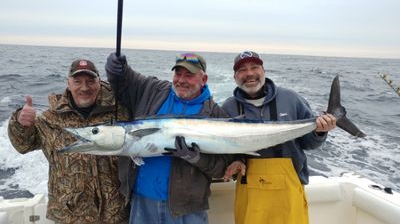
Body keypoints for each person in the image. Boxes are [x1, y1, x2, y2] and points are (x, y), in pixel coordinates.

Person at [105, 52, 231, 224]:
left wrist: (196, 158)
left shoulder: (216, 115)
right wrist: (116, 67)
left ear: (204, 79)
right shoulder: (153, 90)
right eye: (178, 74)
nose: (181, 80)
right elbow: (124, 80)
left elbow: (222, 168)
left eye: (189, 75)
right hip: (142, 201)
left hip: (186, 209)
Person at [7, 59, 129, 224]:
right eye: (77, 81)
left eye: (90, 81)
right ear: (68, 83)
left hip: (116, 214)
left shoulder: (120, 112)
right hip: (69, 216)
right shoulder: (50, 118)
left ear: (99, 81)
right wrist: (20, 124)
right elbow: (23, 145)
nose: (84, 88)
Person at [222, 51, 337, 224]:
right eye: (242, 70)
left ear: (263, 70)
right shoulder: (228, 108)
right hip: (249, 193)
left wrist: (320, 131)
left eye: (255, 67)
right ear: (235, 77)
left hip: (289, 190)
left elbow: (308, 143)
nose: (249, 74)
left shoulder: (291, 99)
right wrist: (235, 160)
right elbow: (227, 147)